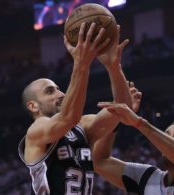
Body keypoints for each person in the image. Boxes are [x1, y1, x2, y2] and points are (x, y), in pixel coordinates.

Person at [18, 22, 132, 195]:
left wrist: (113, 67)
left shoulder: (82, 126)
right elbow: (67, 118)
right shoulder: (36, 131)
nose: (61, 94)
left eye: (58, 88)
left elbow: (123, 110)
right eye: (50, 91)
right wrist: (81, 63)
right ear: (33, 106)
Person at [93, 102, 174, 195]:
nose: (170, 140)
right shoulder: (146, 177)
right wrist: (115, 117)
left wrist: (139, 123)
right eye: (167, 136)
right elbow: (99, 161)